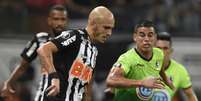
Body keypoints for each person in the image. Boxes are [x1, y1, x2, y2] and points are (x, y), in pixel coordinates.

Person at [37, 6, 114, 101]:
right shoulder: (75, 36)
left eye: (111, 28)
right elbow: (43, 49)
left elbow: (86, 84)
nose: (109, 33)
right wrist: (54, 78)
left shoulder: (94, 51)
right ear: (93, 23)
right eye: (106, 27)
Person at [1, 5, 68, 101]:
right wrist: (8, 82)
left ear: (67, 21)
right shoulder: (40, 39)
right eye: (56, 19)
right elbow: (22, 66)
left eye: (63, 19)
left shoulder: (74, 41)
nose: (59, 23)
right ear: (49, 20)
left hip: (67, 95)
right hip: (43, 94)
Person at [106, 20, 174, 101]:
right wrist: (142, 83)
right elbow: (110, 80)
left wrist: (167, 81)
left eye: (150, 35)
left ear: (155, 38)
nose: (146, 39)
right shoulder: (127, 58)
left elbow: (160, 69)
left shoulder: (159, 54)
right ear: (135, 37)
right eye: (142, 35)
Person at [155, 32, 198, 101]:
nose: (161, 52)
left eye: (165, 48)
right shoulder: (144, 66)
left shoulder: (179, 70)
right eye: (159, 48)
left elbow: (191, 96)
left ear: (171, 51)